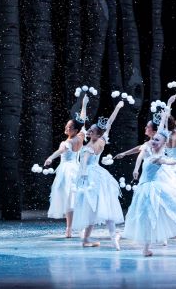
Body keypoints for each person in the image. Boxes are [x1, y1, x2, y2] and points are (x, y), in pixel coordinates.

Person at [123, 130, 176, 257]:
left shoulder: (158, 157)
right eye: (153, 139)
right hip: (144, 190)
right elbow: (140, 155)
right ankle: (146, 248)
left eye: (157, 140)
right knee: (146, 217)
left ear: (163, 144)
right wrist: (135, 168)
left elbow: (166, 161)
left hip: (155, 188)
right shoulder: (148, 151)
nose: (153, 141)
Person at [72, 100, 125, 249]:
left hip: (91, 177)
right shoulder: (102, 139)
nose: (88, 132)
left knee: (97, 206)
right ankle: (94, 238)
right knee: (100, 206)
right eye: (89, 130)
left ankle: (109, 236)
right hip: (99, 175)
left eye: (91, 131)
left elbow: (83, 164)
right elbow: (110, 123)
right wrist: (117, 108)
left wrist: (81, 178)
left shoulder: (89, 147)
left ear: (97, 133)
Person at [43, 93, 88, 237]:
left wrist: (50, 157)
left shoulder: (68, 142)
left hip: (67, 170)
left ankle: (69, 229)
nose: (67, 128)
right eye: (67, 126)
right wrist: (84, 105)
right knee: (75, 199)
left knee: (69, 199)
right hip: (78, 168)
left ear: (75, 130)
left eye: (69, 127)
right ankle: (76, 227)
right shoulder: (81, 136)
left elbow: (61, 150)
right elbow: (82, 122)